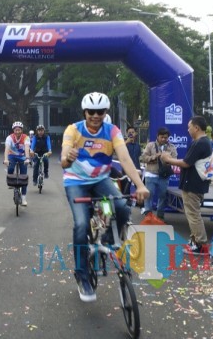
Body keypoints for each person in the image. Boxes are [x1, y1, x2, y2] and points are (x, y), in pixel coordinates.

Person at [62, 92, 149, 302]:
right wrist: (67, 157)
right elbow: (64, 159)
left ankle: (108, 238)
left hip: (101, 180)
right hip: (76, 182)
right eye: (91, 112)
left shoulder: (112, 131)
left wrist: (139, 185)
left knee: (122, 207)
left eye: (100, 112)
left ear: (105, 112)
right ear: (85, 112)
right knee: (81, 225)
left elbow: (125, 158)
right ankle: (82, 275)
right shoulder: (74, 129)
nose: (95, 115)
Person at [160, 116, 213, 255]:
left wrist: (168, 159)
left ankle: (200, 244)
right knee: (192, 214)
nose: (188, 130)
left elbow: (186, 163)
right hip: (195, 184)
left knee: (193, 214)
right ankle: (195, 240)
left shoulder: (200, 143)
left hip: (193, 185)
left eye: (189, 127)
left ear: (196, 128)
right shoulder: (202, 142)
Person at [140, 127, 177, 219]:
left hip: (164, 175)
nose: (164, 139)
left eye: (166, 137)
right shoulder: (150, 145)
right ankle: (148, 216)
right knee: (149, 195)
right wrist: (154, 157)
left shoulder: (171, 147)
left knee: (162, 196)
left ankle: (160, 217)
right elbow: (143, 158)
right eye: (162, 137)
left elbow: (175, 159)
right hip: (151, 174)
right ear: (157, 136)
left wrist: (167, 159)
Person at [4, 121, 31, 206]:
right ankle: (10, 180)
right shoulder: (9, 137)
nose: (17, 131)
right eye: (16, 130)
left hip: (22, 157)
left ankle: (23, 198)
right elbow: (7, 148)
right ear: (13, 130)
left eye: (19, 130)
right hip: (12, 156)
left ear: (21, 130)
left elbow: (27, 148)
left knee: (23, 178)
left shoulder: (26, 137)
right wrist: (5, 159)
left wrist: (27, 158)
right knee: (11, 167)